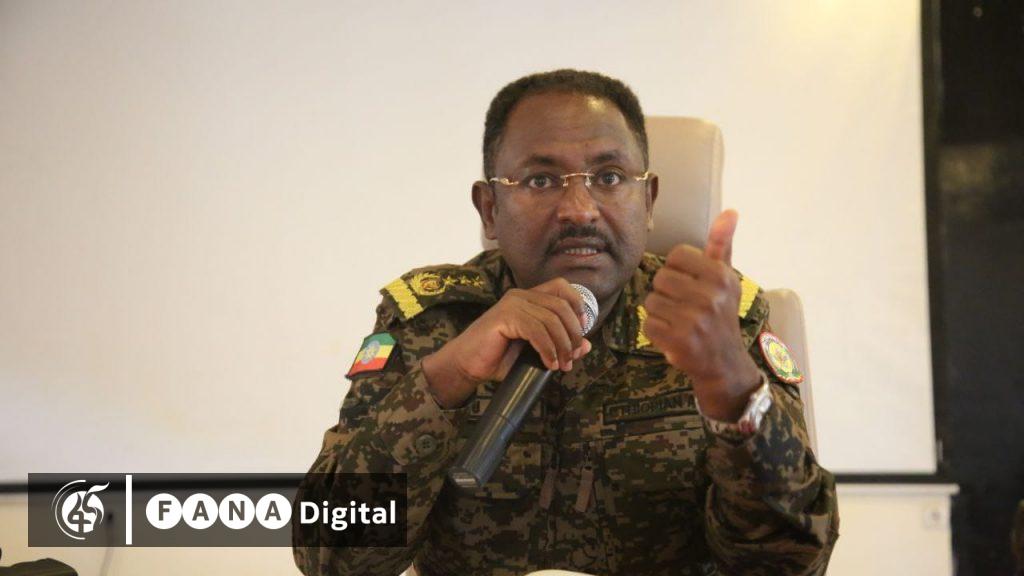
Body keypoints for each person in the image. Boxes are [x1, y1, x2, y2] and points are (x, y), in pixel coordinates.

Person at [293, 69, 839, 576]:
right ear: (489, 209)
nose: (579, 208)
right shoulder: (431, 323)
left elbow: (791, 564)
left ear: (648, 200)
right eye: (540, 180)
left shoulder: (713, 319)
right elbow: (330, 558)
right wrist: (448, 377)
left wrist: (732, 387)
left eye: (609, 176)